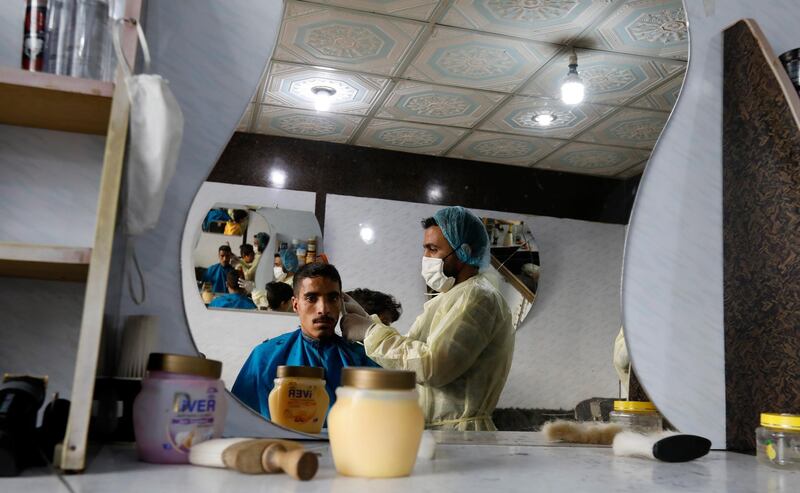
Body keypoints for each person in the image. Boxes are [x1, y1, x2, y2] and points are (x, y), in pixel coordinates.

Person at [341, 206, 515, 431]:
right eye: (425, 249)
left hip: (461, 435)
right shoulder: (451, 297)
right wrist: (368, 320)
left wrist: (370, 333)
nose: (425, 258)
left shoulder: (477, 297)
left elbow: (433, 366)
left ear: (464, 251)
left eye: (433, 249)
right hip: (440, 431)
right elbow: (414, 354)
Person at [232, 263, 378, 420]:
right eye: (311, 298)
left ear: (341, 304)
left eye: (332, 298)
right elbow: (237, 422)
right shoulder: (264, 358)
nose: (323, 308)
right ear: (295, 304)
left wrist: (374, 332)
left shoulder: (361, 358)